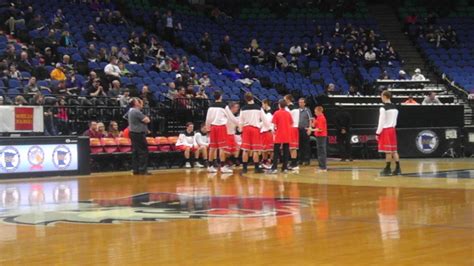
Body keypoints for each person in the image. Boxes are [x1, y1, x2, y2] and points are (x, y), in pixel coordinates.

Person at [239, 92, 268, 174]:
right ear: (253, 98)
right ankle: (256, 168)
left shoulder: (243, 108)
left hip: (246, 129)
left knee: (245, 149)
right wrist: (267, 127)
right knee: (256, 149)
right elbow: (265, 120)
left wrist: (241, 130)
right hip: (255, 129)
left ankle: (244, 169)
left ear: (245, 99)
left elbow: (240, 121)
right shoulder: (258, 108)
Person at [205, 90, 232, 173]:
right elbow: (230, 117)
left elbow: (208, 119)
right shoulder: (224, 106)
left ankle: (210, 166)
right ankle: (223, 166)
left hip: (213, 127)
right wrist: (237, 123)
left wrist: (208, 129)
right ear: (221, 96)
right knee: (222, 148)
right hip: (221, 127)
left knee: (212, 147)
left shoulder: (210, 106)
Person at [376, 90, 401, 176]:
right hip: (393, 129)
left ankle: (387, 169)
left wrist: (377, 133)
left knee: (388, 151)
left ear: (385, 97)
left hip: (386, 130)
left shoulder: (383, 108)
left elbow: (381, 122)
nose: (381, 98)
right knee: (394, 150)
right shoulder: (395, 107)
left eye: (381, 96)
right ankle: (398, 168)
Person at [268, 99, 293, 173]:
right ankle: (284, 167)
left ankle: (274, 168)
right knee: (286, 151)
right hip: (287, 134)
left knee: (276, 151)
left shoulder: (276, 113)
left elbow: (274, 124)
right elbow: (291, 123)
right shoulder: (288, 113)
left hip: (279, 134)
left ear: (279, 105)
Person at [128, 98, 151, 175]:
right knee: (143, 152)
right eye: (139, 101)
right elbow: (147, 120)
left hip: (133, 133)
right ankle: (142, 170)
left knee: (136, 152)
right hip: (138, 133)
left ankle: (136, 169)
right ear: (135, 103)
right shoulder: (136, 111)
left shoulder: (130, 111)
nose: (141, 102)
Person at [308, 106, 328, 172]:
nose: (315, 113)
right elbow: (314, 125)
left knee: (321, 152)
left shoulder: (322, 118)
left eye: (316, 112)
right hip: (319, 136)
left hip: (321, 136)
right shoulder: (318, 117)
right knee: (320, 152)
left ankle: (323, 167)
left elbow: (320, 129)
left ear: (319, 111)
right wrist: (312, 121)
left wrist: (312, 129)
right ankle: (321, 166)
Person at [223, 102, 240, 171]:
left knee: (232, 151)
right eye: (236, 107)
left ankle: (229, 162)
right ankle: (224, 164)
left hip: (232, 134)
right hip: (226, 134)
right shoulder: (227, 114)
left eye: (238, 107)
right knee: (226, 151)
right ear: (232, 107)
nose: (237, 109)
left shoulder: (233, 116)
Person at [284, 94, 300, 170]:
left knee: (292, 147)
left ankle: (294, 163)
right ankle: (293, 162)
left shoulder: (288, 109)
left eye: (285, 99)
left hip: (291, 128)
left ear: (288, 100)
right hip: (295, 128)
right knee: (293, 147)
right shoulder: (297, 108)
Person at [298, 98, 312, 165]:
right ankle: (300, 159)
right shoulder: (297, 110)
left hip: (305, 129)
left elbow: (310, 120)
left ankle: (307, 160)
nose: (300, 103)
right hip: (298, 130)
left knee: (306, 145)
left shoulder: (307, 110)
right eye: (299, 102)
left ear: (304, 103)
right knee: (299, 145)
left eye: (301, 102)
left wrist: (309, 128)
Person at [260, 99, 274, 169]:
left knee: (269, 149)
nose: (262, 106)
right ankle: (264, 161)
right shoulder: (267, 113)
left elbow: (266, 123)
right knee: (264, 149)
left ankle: (270, 162)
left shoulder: (269, 113)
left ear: (266, 104)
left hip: (268, 131)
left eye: (263, 104)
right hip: (265, 132)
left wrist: (257, 125)